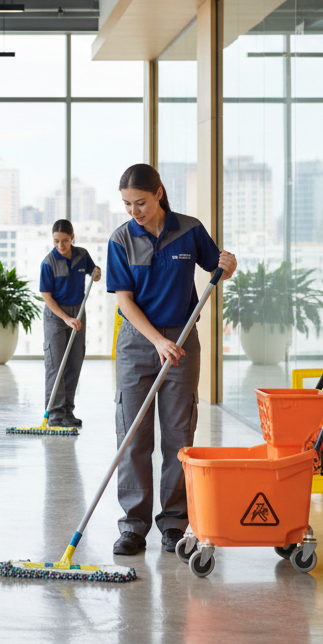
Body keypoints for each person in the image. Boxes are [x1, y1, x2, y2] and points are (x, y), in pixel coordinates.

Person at [105, 163, 236, 556]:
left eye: (140, 202)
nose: (134, 211)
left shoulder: (190, 229)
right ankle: (133, 526)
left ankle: (174, 523)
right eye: (127, 204)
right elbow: (124, 301)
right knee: (133, 436)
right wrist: (156, 341)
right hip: (138, 344)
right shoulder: (121, 239)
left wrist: (227, 268)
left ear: (159, 193)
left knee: (179, 435)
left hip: (181, 340)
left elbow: (218, 267)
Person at [39, 220, 101, 428]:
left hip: (78, 311)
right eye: (56, 241)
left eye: (65, 241)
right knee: (56, 365)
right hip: (56, 316)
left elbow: (93, 270)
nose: (60, 246)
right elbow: (46, 296)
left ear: (72, 237)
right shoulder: (48, 263)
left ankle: (67, 411)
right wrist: (65, 318)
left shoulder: (82, 255)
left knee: (74, 364)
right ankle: (55, 414)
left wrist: (96, 272)